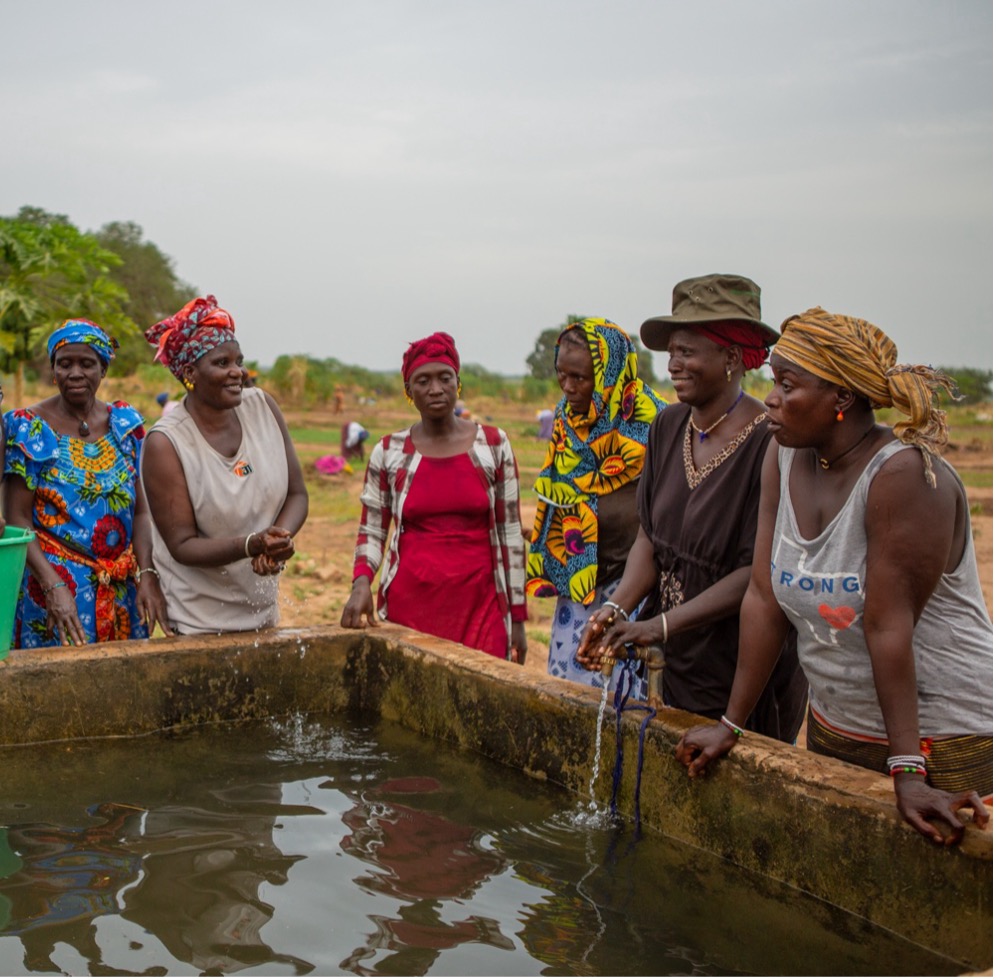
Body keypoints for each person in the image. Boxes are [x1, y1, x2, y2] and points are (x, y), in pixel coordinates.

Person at [676, 307, 992, 846]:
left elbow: (887, 627)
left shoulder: (903, 476)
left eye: (787, 384)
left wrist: (909, 772)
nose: (770, 398)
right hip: (837, 723)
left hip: (939, 735)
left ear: (841, 399)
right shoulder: (782, 455)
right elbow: (763, 597)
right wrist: (731, 725)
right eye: (772, 380)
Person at [576, 275, 806, 740]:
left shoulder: (772, 444)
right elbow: (650, 539)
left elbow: (755, 573)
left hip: (742, 666)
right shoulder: (668, 425)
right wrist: (618, 609)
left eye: (688, 351)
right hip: (676, 659)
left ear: (732, 357)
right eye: (671, 352)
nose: (674, 365)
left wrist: (659, 625)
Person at [340, 331, 527, 662]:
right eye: (423, 381)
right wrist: (360, 585)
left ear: (458, 383)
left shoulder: (494, 444)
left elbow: (511, 534)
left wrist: (518, 619)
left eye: (445, 378)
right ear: (409, 391)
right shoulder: (388, 451)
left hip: (481, 608)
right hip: (409, 608)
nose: (436, 389)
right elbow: (372, 530)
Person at [141, 295, 308, 635]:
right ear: (190, 373)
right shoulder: (166, 443)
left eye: (239, 361)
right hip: (198, 622)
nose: (238, 372)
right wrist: (253, 545)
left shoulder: (262, 407)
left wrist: (276, 542)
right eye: (222, 363)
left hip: (262, 611)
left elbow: (297, 494)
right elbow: (182, 545)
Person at [2, 319, 170, 647]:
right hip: (54, 593)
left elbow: (140, 513)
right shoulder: (29, 428)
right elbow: (18, 518)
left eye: (87, 363)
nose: (75, 373)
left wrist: (147, 575)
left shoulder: (124, 426)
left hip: (120, 589)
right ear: (53, 370)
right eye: (65, 364)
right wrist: (53, 587)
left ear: (103, 369)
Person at [526, 317, 666, 692]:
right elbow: (560, 483)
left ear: (610, 374)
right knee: (569, 684)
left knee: (621, 686)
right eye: (562, 375)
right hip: (579, 574)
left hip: (631, 581)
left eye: (581, 378)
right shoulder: (566, 417)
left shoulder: (655, 423)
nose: (568, 387)